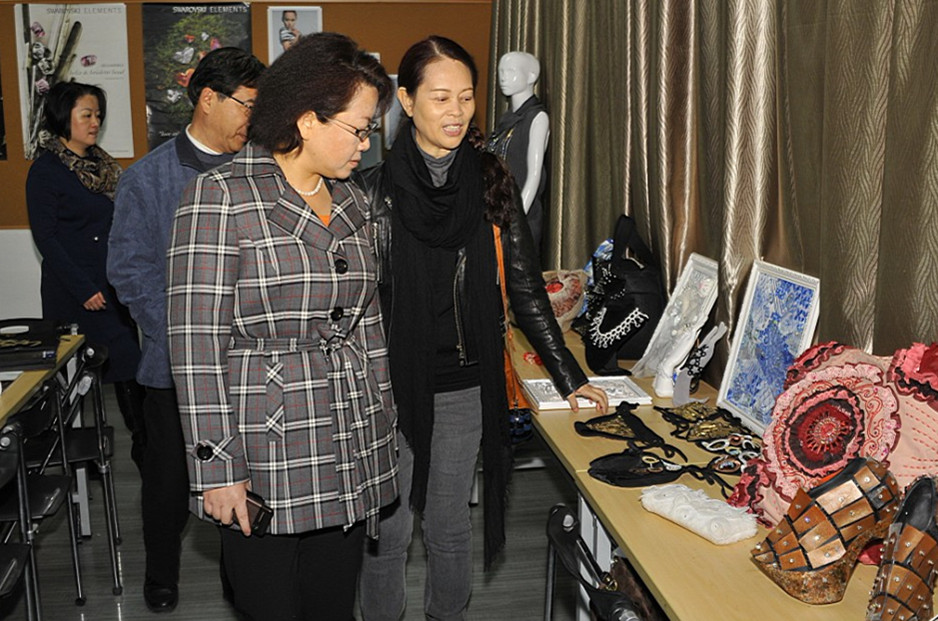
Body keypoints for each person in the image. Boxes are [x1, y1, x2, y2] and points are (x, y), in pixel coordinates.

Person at [356, 36, 608, 621]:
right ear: (406, 101)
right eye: (440, 97)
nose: (456, 111)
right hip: (387, 387)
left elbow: (525, 287)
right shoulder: (371, 191)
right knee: (387, 531)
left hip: (464, 384)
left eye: (466, 97)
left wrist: (570, 377)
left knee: (448, 526)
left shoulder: (492, 182)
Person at [166, 33, 398, 621]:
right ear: (307, 119)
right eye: (359, 129)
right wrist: (218, 469)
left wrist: (384, 419)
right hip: (265, 439)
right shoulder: (220, 196)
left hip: (348, 432)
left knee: (332, 604)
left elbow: (368, 323)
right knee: (269, 605)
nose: (366, 145)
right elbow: (195, 348)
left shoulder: (354, 202)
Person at [108, 47, 265, 613]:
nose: (254, 118)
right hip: (172, 370)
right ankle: (161, 575)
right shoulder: (147, 179)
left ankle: (239, 577)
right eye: (248, 105)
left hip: (247, 366)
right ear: (209, 99)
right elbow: (130, 270)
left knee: (244, 480)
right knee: (168, 485)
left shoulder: (262, 170)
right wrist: (185, 339)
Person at [25, 81, 146, 471]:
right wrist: (83, 289)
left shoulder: (102, 166)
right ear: (64, 117)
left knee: (129, 367)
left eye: (98, 115)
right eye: (87, 115)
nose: (95, 122)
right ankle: (78, 457)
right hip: (75, 291)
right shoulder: (46, 171)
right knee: (78, 380)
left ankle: (146, 450)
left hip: (112, 285)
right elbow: (46, 237)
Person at [487, 51, 550, 252]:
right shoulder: (506, 120)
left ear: (531, 76)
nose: (504, 77)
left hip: (519, 219)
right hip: (498, 213)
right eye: (501, 71)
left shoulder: (537, 118)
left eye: (511, 71)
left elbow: (534, 175)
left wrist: (515, 219)